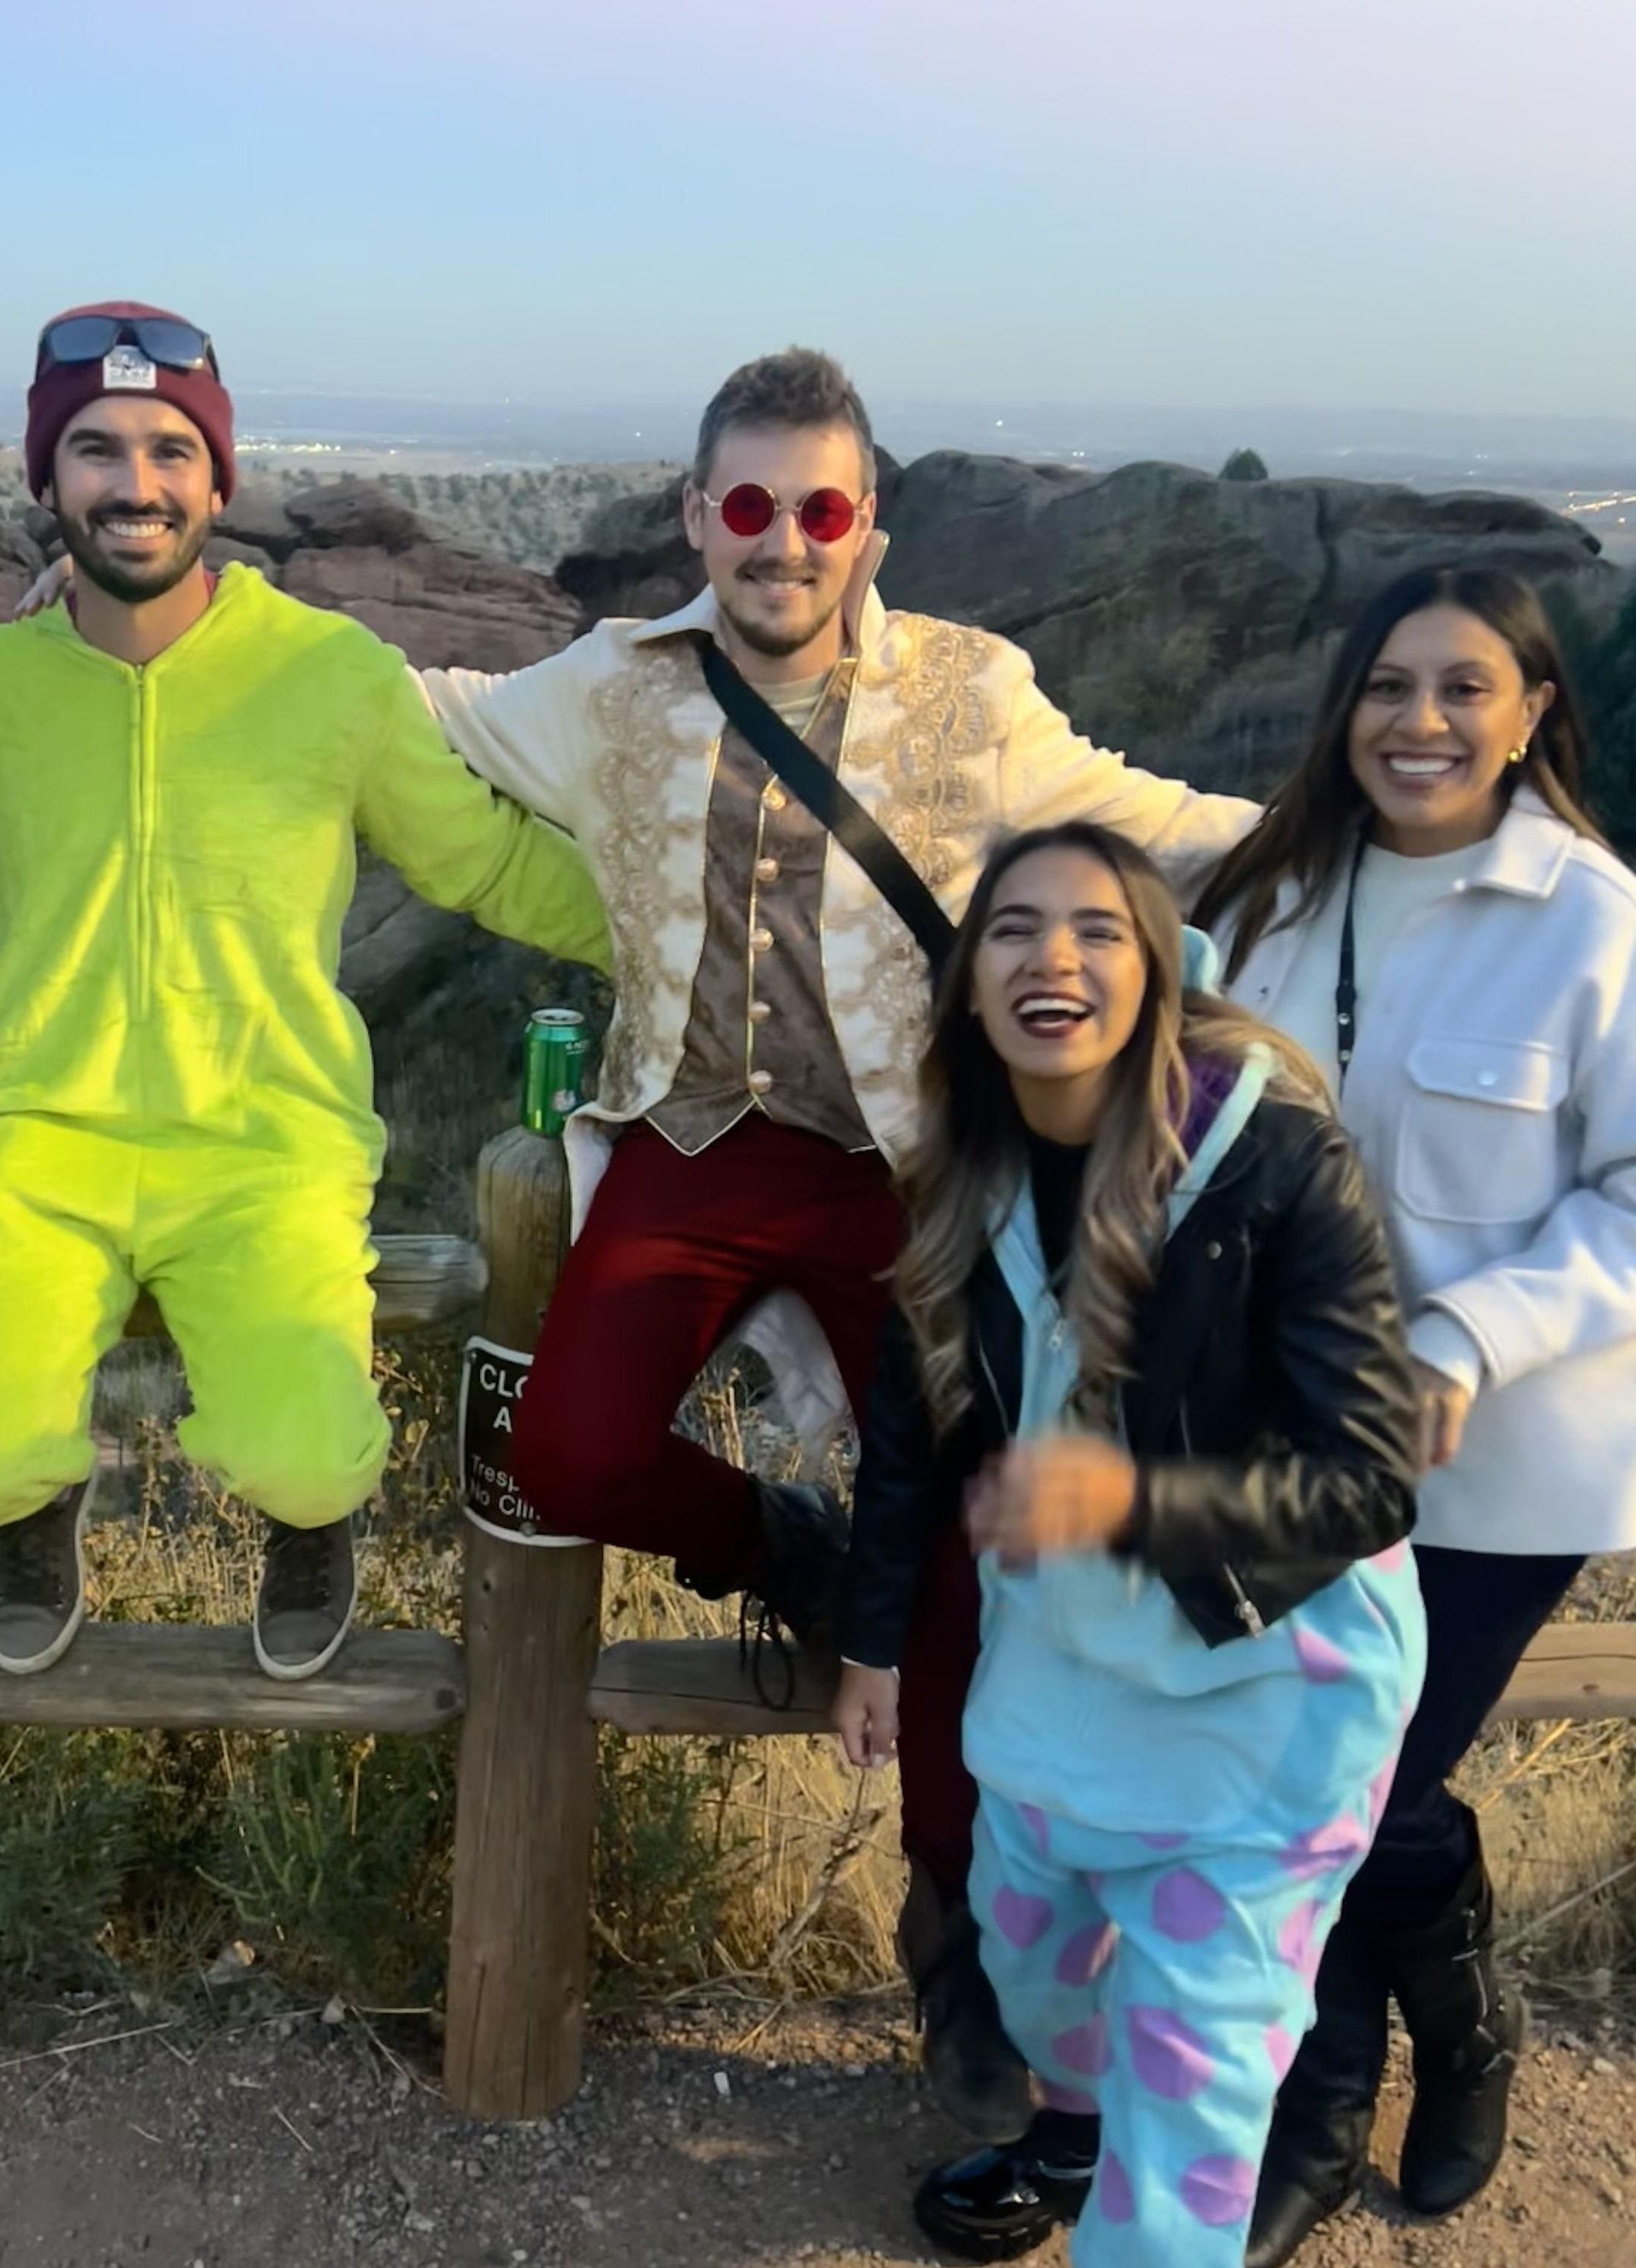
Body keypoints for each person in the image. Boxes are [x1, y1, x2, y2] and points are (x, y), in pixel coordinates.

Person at [413, 349, 1259, 2136]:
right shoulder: (614, 687)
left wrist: (1370, 828)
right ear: (693, 516)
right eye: (745, 506)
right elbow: (425, 709)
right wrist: (203, 622)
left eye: (817, 508)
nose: (780, 542)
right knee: (563, 1446)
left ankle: (960, 1963)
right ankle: (785, 1546)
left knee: (960, 1559)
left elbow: (1151, 823)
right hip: (687, 1146)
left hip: (902, 1169)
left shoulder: (971, 689)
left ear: (870, 523)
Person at [0, 302, 610, 1684]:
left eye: (169, 450)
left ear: (219, 480)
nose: (134, 483)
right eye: (95, 449)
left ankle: (306, 1525)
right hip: (28, 1137)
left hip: (265, 1140)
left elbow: (482, 859)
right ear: (46, 480)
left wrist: (675, 943)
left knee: (310, 1460)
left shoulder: (329, 677)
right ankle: (41, 1497)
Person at [831, 821, 1425, 2266]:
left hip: (1264, 1705)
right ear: (970, 986)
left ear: (1157, 974)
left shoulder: (1275, 1166)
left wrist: (1130, 1503)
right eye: (1016, 929)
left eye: (1100, 928)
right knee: (1033, 1972)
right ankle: (1076, 2117)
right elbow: (915, 1439)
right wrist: (869, 1645)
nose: (1056, 956)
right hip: (1062, 1686)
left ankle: (1152, 2187)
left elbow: (1369, 1475)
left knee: (1190, 2112)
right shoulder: (955, 1183)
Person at [1190, 566, 1636, 2264]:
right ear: (1345, 710)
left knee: (1358, 1782)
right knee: (1314, 1770)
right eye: (1390, 685)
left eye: (1466, 688)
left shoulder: (1597, 924)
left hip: (1500, 1461)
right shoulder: (1275, 900)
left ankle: (1342, 2097)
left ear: (1533, 714)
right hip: (1286, 1448)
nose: (1423, 721)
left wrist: (1461, 1335)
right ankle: (1447, 2031)